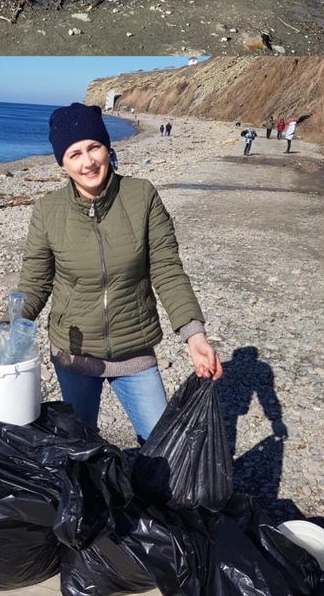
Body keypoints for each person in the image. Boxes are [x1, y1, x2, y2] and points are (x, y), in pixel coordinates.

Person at [18, 103, 223, 443]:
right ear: (62, 163)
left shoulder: (141, 196)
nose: (88, 162)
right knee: (80, 449)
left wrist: (194, 335)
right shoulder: (47, 209)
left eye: (94, 147)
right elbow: (35, 280)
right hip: (74, 354)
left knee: (160, 447)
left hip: (134, 349)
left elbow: (167, 269)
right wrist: (10, 327)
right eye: (74, 154)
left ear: (107, 147)